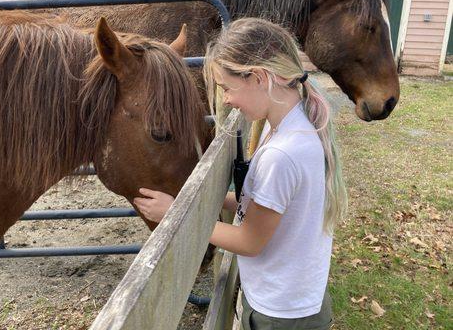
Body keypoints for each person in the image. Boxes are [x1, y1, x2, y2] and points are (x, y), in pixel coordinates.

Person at [133, 18, 347, 330]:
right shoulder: (290, 125)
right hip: (292, 298)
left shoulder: (282, 153)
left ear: (259, 77)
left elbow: (249, 241)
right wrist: (185, 198)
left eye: (228, 88)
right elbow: (266, 206)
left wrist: (175, 216)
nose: (228, 100)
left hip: (280, 315)